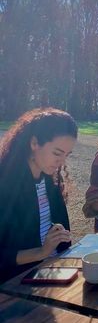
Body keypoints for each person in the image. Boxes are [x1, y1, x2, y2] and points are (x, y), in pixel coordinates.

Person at [0, 108, 78, 283]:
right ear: (34, 143)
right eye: (57, 153)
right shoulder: (5, 183)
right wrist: (41, 252)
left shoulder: (49, 179)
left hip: (55, 273)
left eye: (67, 155)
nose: (62, 162)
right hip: (17, 284)